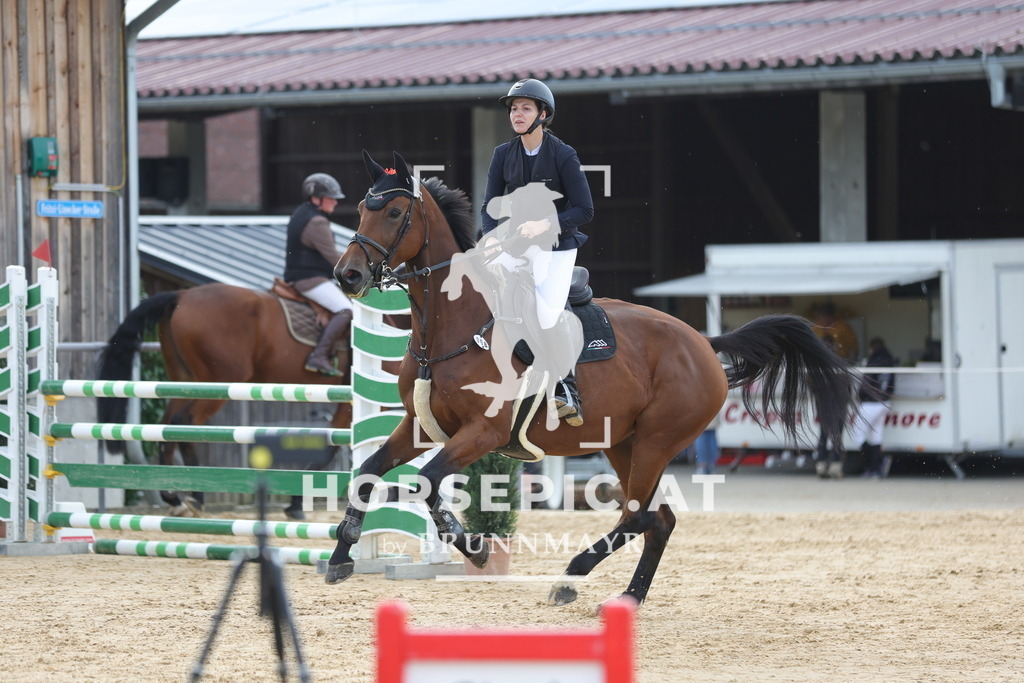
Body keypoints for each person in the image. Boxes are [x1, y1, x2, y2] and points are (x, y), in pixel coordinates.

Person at [480, 78, 595, 426]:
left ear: (543, 114)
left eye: (525, 108)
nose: (517, 114)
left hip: (556, 249)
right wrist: (489, 238)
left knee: (546, 314)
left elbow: (585, 210)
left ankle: (566, 388)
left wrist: (545, 225)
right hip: (514, 247)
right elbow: (489, 207)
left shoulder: (563, 155)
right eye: (514, 109)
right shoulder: (503, 154)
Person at [284, 172, 354, 376]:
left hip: (301, 276)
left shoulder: (301, 213)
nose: (335, 202)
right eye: (331, 198)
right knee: (345, 310)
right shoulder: (317, 222)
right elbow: (334, 258)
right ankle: (319, 356)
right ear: (316, 197)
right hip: (310, 280)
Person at [849, 337, 896, 478]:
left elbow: (867, 381)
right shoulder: (890, 359)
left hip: (872, 402)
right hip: (885, 402)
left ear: (872, 347)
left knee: (857, 433)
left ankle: (878, 462)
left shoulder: (874, 358)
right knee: (876, 436)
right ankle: (876, 470)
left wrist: (860, 394)